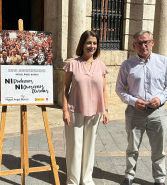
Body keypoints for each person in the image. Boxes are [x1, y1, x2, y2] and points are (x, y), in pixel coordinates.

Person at [115, 30, 167, 185]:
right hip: (134, 113)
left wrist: (161, 98)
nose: (143, 46)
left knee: (159, 149)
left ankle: (159, 179)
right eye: (139, 43)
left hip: (158, 112)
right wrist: (132, 101)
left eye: (146, 42)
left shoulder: (163, 62)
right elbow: (120, 89)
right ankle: (129, 176)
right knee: (132, 148)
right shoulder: (127, 65)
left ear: (152, 43)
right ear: (134, 46)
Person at [62, 30, 109, 185]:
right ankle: (73, 180)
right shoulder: (73, 64)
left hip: (95, 111)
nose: (92, 46)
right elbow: (65, 88)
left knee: (89, 147)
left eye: (95, 43)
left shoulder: (101, 65)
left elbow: (103, 89)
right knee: (75, 146)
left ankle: (87, 179)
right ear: (82, 44)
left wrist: (106, 110)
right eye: (89, 42)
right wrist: (65, 111)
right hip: (75, 110)